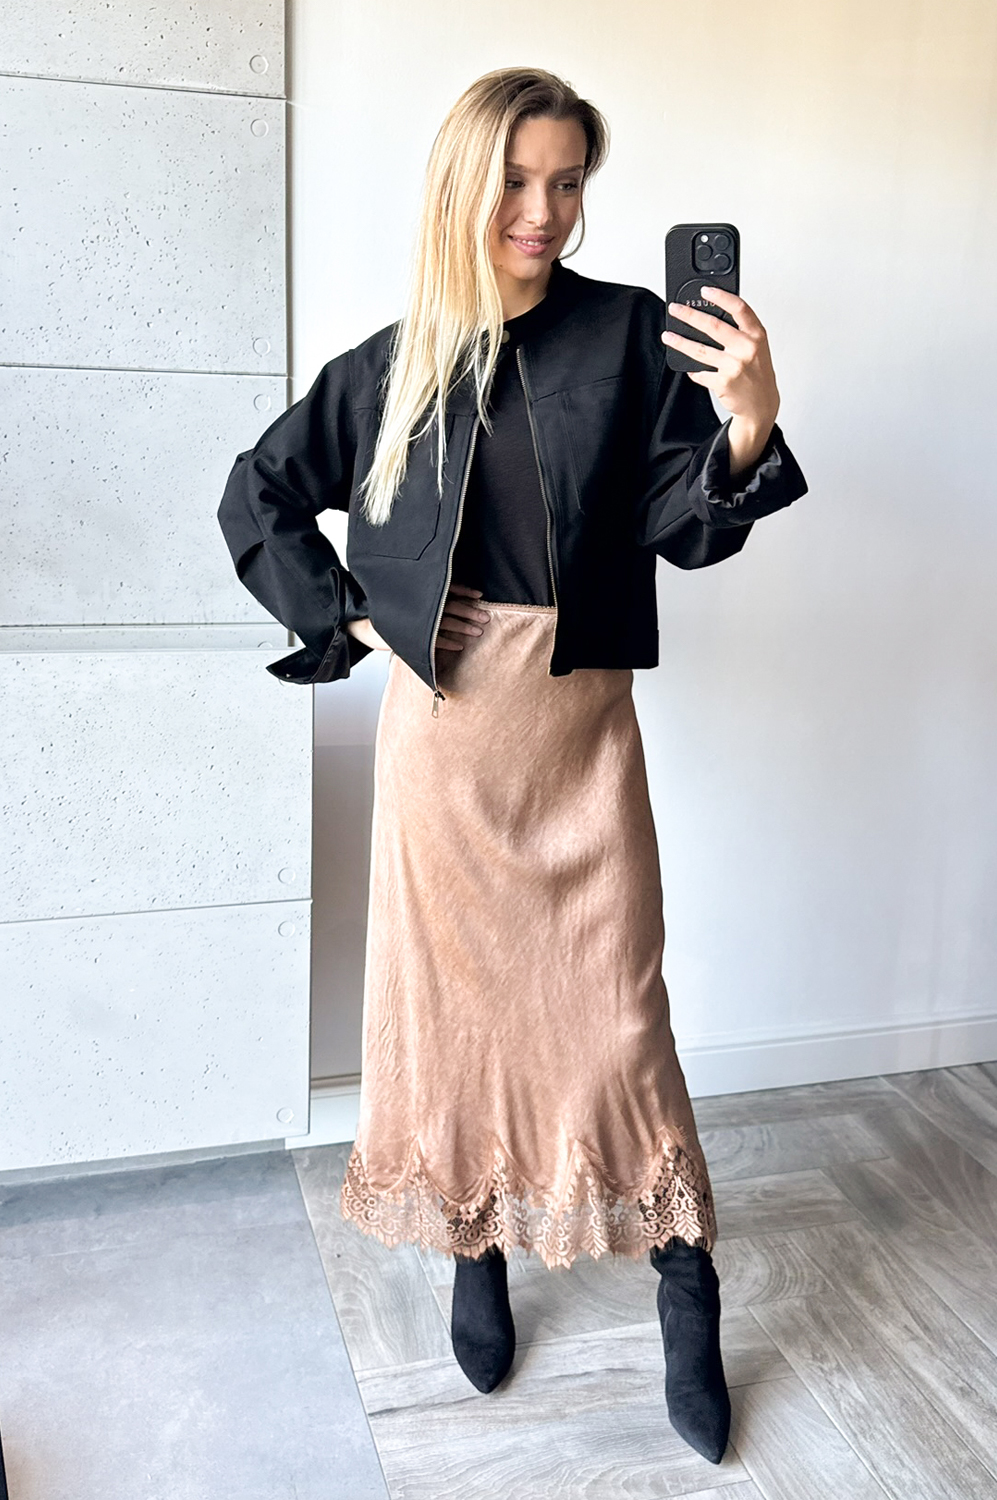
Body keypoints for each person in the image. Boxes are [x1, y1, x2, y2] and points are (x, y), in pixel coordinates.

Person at [217, 67, 807, 1466]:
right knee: (457, 1027)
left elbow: (685, 526)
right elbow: (256, 492)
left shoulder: (630, 333)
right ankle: (474, 1254)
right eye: (517, 181)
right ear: (460, 187)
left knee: (618, 1024)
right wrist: (355, 617)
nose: (544, 211)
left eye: (568, 182)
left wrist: (746, 418)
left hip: (579, 734)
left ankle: (684, 1286)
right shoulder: (389, 365)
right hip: (445, 745)